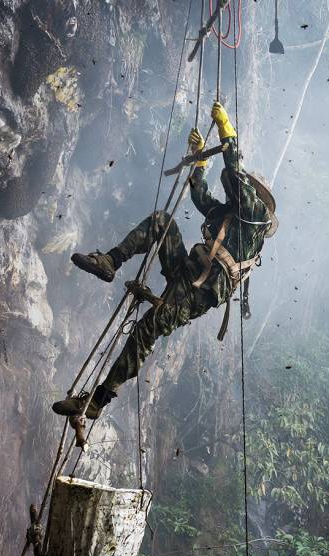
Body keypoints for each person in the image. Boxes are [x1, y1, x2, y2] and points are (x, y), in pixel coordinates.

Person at [52, 101, 277, 418]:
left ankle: (95, 403)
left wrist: (227, 131)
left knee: (149, 329)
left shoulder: (253, 219)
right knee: (162, 222)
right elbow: (201, 198)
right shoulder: (231, 215)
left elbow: (236, 174)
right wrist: (199, 165)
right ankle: (110, 262)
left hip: (198, 293)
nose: (241, 194)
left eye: (247, 191)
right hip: (186, 272)